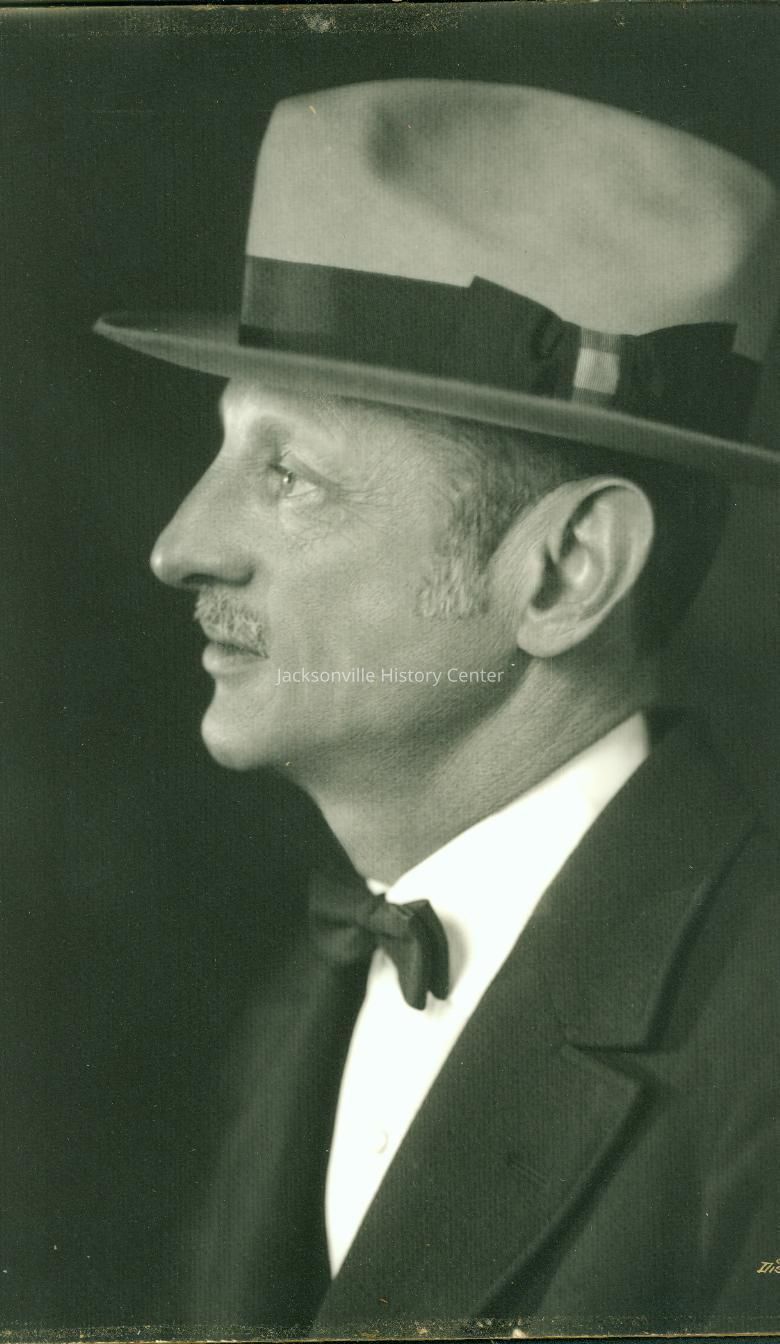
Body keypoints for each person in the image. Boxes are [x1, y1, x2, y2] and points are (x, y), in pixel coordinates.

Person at [95, 80, 780, 1338]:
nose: (180, 545)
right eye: (225, 450)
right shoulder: (301, 1009)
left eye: (287, 474)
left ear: (565, 572)